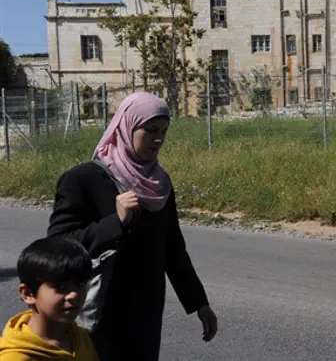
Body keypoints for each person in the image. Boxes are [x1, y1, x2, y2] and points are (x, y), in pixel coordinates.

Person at [46, 92, 218, 361]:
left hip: (146, 314)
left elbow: (172, 248)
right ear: (127, 127)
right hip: (97, 313)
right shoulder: (83, 180)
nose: (158, 139)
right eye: (150, 130)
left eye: (163, 131)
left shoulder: (159, 184)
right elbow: (58, 246)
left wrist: (199, 302)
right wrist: (117, 222)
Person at [0, 237, 98, 361]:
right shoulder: (15, 357)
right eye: (61, 287)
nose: (74, 295)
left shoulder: (80, 337)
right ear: (28, 294)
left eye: (81, 284)